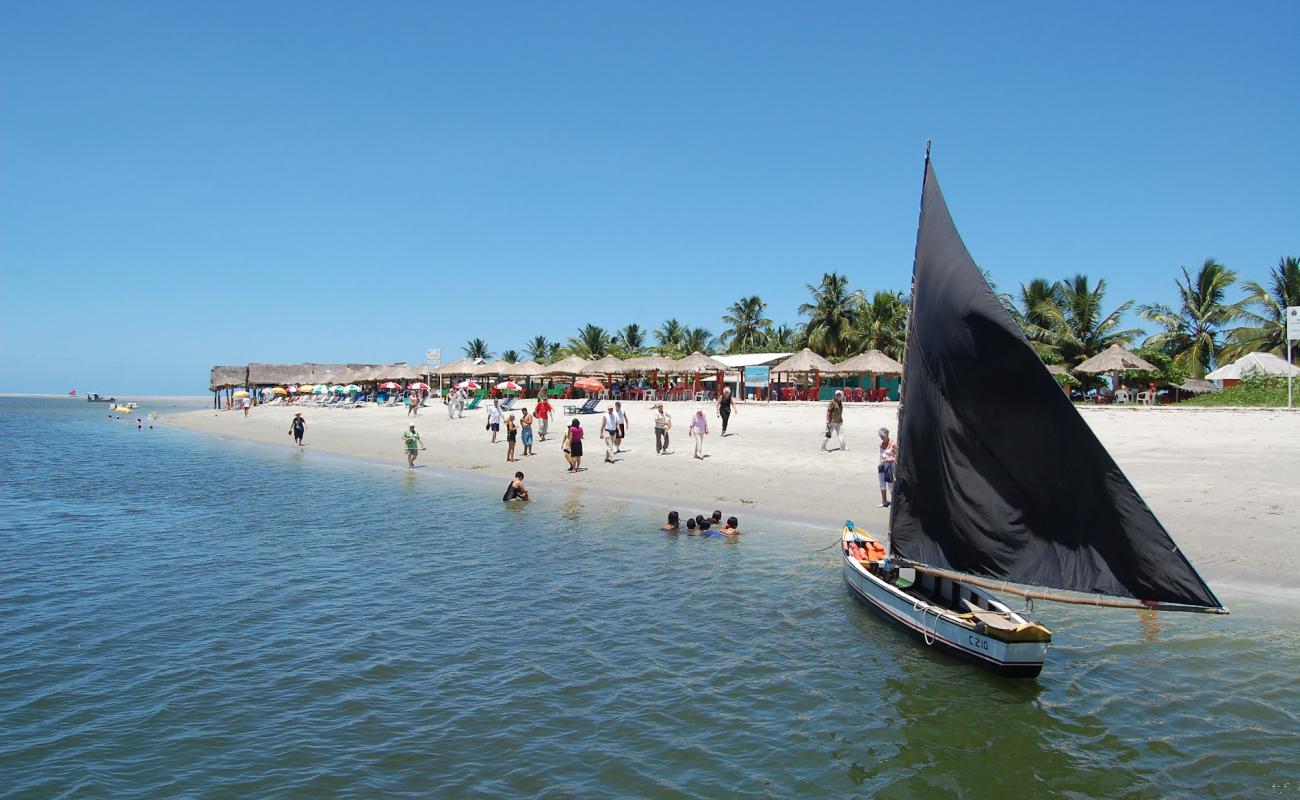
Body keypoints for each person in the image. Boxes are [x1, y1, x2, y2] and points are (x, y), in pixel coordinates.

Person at [878, 426, 898, 507]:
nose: (882, 438)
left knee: (890, 485)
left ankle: (893, 503)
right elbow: (880, 455)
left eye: (883, 437)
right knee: (882, 483)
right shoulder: (881, 444)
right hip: (882, 465)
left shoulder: (893, 444)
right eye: (881, 437)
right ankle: (884, 501)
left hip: (890, 466)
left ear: (887, 435)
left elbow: (897, 455)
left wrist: (895, 465)